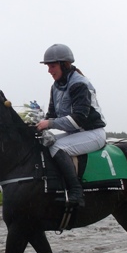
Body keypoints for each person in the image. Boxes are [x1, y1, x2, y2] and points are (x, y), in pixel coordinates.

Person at [36, 44, 107, 207]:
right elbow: (52, 115)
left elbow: (78, 120)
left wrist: (49, 123)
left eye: (52, 66)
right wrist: (35, 123)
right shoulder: (55, 87)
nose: (49, 71)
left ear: (64, 64)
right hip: (75, 133)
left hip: (93, 133)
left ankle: (76, 192)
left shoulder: (79, 84)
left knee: (56, 147)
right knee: (44, 143)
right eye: (48, 66)